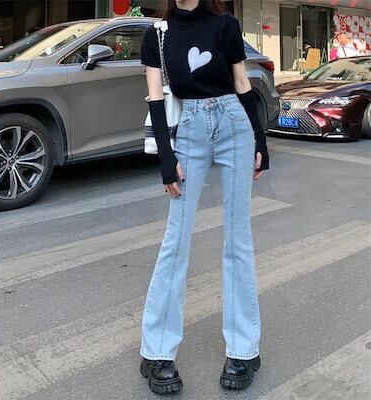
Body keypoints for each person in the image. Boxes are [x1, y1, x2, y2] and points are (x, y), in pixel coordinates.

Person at [139, 0, 269, 395]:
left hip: (234, 126)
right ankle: (157, 350)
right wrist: (166, 157)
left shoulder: (225, 25)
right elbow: (155, 97)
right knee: (175, 240)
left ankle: (243, 349)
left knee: (238, 239)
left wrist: (260, 141)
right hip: (190, 129)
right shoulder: (157, 34)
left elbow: (242, 83)